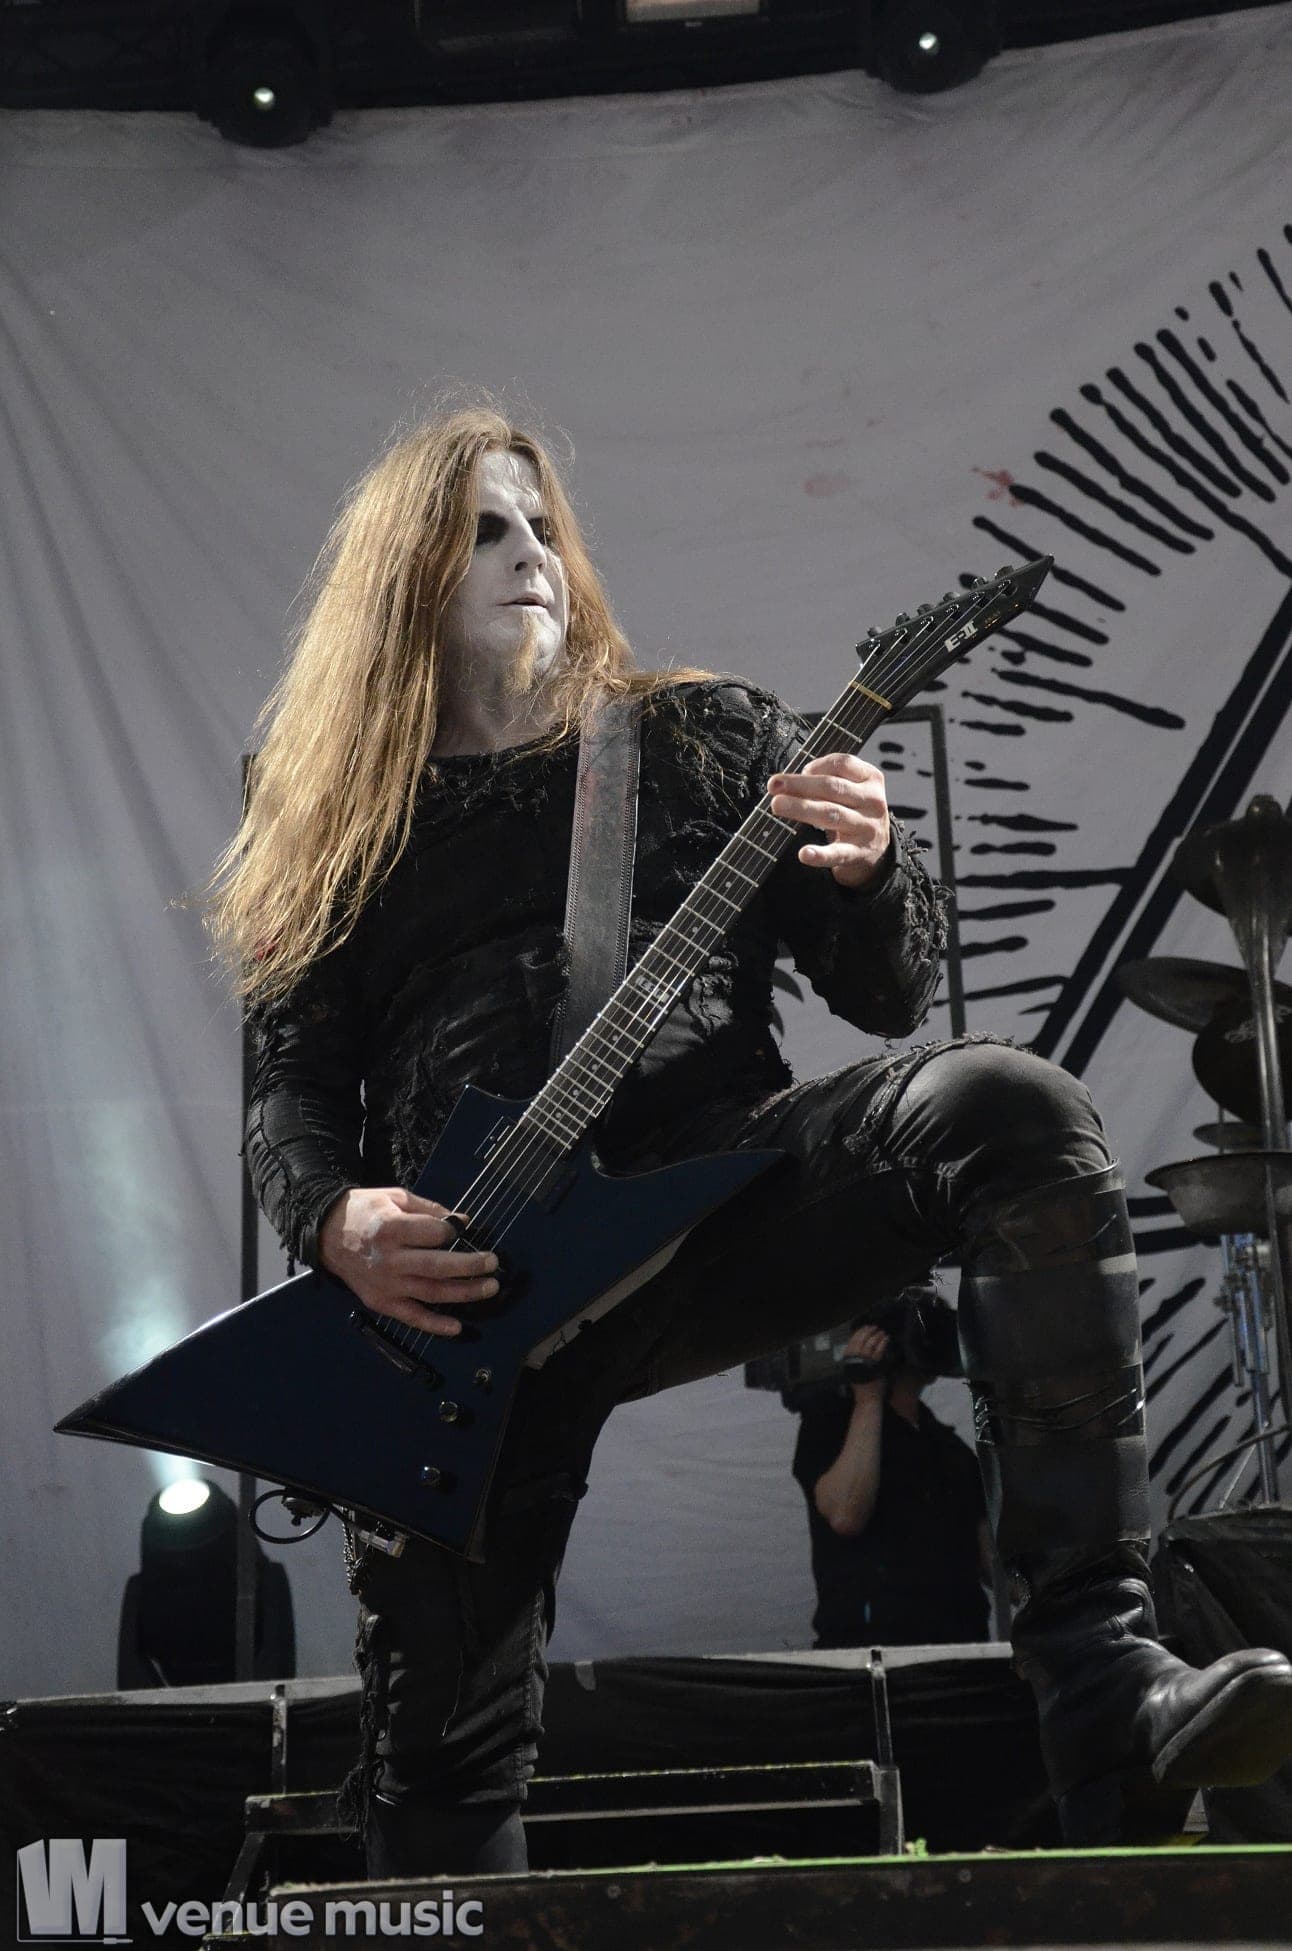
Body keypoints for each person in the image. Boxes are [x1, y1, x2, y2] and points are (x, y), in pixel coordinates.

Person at [210, 403, 1292, 1870]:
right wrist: (337, 1221)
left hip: (717, 1189)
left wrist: (870, 868)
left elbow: (887, 990)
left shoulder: (698, 734)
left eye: (542, 525)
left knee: (1013, 1113)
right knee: (438, 1777)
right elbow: (287, 1087)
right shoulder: (329, 811)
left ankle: (1109, 1680)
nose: (532, 553)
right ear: (403, 575)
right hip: (467, 1297)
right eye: (484, 530)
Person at [793, 1318, 992, 1649]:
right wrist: (868, 1396)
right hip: (873, 1653)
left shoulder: (949, 1448)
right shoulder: (831, 1423)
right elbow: (845, 1514)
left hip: (961, 1647)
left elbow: (996, 1568)